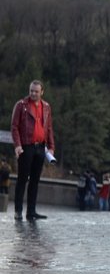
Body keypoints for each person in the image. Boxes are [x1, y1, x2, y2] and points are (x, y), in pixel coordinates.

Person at [10, 80, 55, 221]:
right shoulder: (21, 105)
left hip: (40, 147)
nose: (33, 93)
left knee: (35, 181)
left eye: (36, 91)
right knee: (22, 179)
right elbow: (14, 127)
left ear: (42, 92)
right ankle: (18, 211)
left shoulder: (46, 107)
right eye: (31, 91)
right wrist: (17, 145)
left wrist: (51, 147)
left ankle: (31, 212)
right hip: (26, 147)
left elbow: (49, 128)